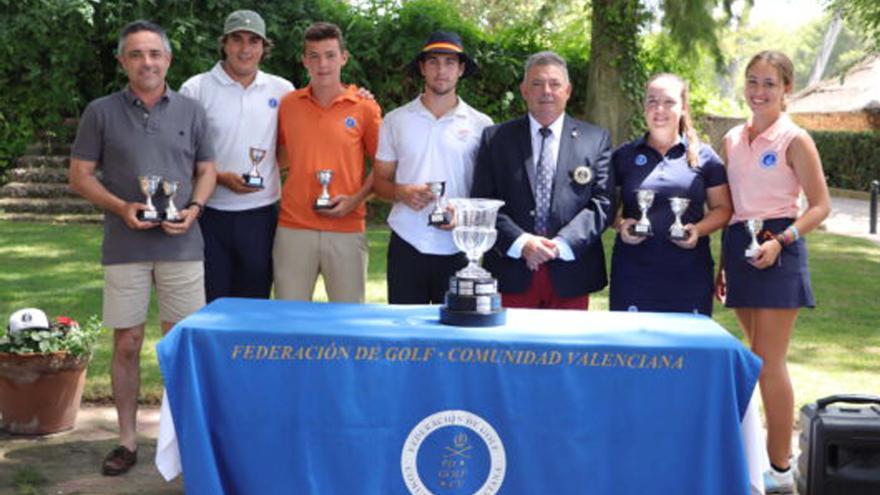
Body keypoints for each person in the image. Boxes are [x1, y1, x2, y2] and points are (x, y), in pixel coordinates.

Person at [68, 20, 216, 475]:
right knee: (128, 343)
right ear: (122, 62)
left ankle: (181, 442)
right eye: (135, 54)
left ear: (168, 59)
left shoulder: (192, 111)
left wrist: (192, 208)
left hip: (182, 243)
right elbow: (79, 175)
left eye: (154, 53)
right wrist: (120, 206)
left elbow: (208, 170)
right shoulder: (101, 111)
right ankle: (128, 441)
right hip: (124, 243)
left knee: (179, 345)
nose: (146, 62)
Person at [716, 50, 830, 494]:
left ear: (787, 90)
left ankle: (781, 471)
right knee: (754, 356)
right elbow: (730, 205)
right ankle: (762, 455)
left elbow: (820, 206)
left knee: (767, 363)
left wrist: (780, 241)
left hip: (779, 245)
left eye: (769, 83)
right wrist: (725, 263)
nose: (759, 91)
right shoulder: (730, 138)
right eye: (752, 81)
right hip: (738, 245)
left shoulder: (795, 139)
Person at [470, 51, 613, 309]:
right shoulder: (495, 139)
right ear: (524, 90)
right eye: (537, 84)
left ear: (567, 91)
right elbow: (483, 202)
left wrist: (561, 244)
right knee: (512, 349)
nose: (546, 91)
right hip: (512, 267)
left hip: (572, 269)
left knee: (568, 350)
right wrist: (522, 242)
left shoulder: (596, 139)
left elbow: (603, 203)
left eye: (554, 84)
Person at [179, 10, 293, 302]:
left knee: (255, 306)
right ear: (224, 44)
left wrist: (266, 171)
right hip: (209, 213)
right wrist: (218, 177)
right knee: (211, 304)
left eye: (253, 41)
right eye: (237, 40)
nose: (245, 49)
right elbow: (179, 154)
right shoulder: (196, 88)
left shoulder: (282, 90)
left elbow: (290, 145)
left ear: (263, 47)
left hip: (262, 214)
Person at [372, 32, 492, 304]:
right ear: (422, 68)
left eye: (450, 62)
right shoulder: (396, 120)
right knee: (404, 335)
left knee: (455, 337)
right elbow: (379, 182)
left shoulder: (481, 124)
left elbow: (487, 190)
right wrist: (401, 192)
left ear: (461, 69)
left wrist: (463, 215)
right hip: (407, 241)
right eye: (434, 62)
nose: (441, 70)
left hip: (459, 246)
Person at [273, 22, 381, 303]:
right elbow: (280, 157)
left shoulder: (365, 107)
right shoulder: (288, 105)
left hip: (347, 227)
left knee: (348, 323)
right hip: (293, 227)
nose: (323, 64)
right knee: (289, 320)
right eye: (314, 55)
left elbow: (383, 169)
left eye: (330, 55)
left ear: (344, 57)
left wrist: (355, 200)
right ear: (304, 60)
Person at [610, 73, 732, 316]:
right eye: (652, 101)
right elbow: (606, 208)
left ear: (684, 108)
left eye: (668, 102)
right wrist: (621, 225)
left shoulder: (705, 158)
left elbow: (723, 209)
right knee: (634, 351)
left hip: (689, 273)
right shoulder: (623, 155)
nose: (659, 109)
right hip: (633, 272)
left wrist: (698, 230)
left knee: (687, 351)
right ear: (644, 106)